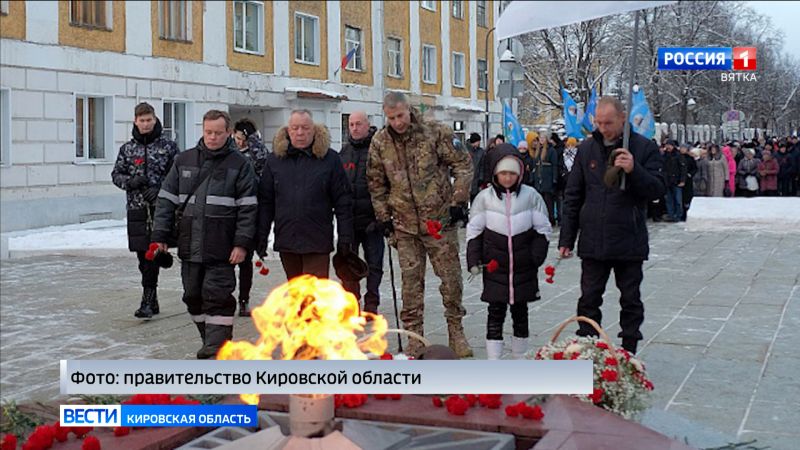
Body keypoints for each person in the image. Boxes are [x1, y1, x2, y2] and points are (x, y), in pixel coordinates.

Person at [367, 91, 474, 358]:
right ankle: (414, 338)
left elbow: (463, 164)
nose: (397, 122)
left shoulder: (434, 132)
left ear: (409, 110)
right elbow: (376, 182)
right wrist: (383, 217)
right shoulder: (380, 142)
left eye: (400, 116)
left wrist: (458, 200)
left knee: (451, 281)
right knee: (411, 287)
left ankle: (456, 330)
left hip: (439, 222)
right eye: (391, 118)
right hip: (404, 226)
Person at [558, 96, 665, 354]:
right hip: (593, 239)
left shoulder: (643, 147)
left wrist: (634, 169)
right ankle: (587, 348)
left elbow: (657, 190)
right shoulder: (586, 149)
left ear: (622, 118)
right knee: (589, 298)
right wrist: (566, 239)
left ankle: (629, 351)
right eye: (599, 122)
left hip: (629, 238)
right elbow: (573, 195)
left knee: (630, 299)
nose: (603, 128)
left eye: (608, 122)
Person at [152, 110, 258, 359]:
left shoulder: (240, 165)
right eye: (208, 132)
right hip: (190, 244)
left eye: (218, 133)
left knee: (217, 296)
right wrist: (161, 236)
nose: (212, 137)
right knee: (192, 296)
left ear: (228, 133)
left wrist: (242, 243)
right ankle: (209, 339)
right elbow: (165, 200)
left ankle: (217, 348)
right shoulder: (184, 160)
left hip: (222, 246)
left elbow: (248, 208)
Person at [466, 145, 551, 360]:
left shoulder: (531, 196)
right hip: (495, 266)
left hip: (524, 267)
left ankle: (519, 356)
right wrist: (474, 259)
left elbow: (543, 229)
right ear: (495, 173)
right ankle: (494, 358)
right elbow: (474, 231)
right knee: (495, 312)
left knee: (520, 313)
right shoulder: (484, 198)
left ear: (519, 174)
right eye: (503, 173)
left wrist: (536, 256)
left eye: (512, 173)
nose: (507, 177)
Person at [256, 110, 354, 280]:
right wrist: (261, 236)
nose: (300, 133)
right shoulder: (275, 160)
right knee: (295, 292)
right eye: (295, 128)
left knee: (313, 294)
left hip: (317, 241)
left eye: (305, 128)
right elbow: (266, 203)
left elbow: (343, 201)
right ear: (288, 131)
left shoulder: (330, 159)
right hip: (287, 240)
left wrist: (345, 237)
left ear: (314, 130)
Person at [111, 102, 179, 319]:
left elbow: (177, 176)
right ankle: (152, 297)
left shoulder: (168, 147)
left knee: (156, 251)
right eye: (142, 120)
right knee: (143, 256)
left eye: (149, 120)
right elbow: (116, 175)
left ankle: (147, 300)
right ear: (135, 121)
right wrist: (132, 182)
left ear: (155, 119)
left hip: (161, 209)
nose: (146, 124)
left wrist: (159, 190)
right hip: (137, 208)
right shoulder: (128, 149)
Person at [339, 112, 383, 314]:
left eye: (358, 124)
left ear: (368, 125)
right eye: (351, 124)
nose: (354, 128)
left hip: (372, 220)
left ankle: (372, 301)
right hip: (348, 219)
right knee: (348, 263)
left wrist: (383, 215)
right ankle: (352, 301)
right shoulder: (344, 152)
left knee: (374, 263)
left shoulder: (378, 150)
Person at [232, 118, 270, 316]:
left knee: (245, 259)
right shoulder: (229, 152)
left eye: (242, 139)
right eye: (237, 137)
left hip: (252, 210)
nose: (239, 142)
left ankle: (243, 300)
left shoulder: (257, 152)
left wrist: (253, 141)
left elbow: (263, 165)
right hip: (231, 211)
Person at [530, 132, 560, 225]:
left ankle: (550, 219)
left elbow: (555, 165)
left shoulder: (551, 151)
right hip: (539, 178)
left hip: (547, 178)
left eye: (543, 138)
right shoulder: (537, 151)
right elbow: (535, 165)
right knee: (539, 200)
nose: (542, 140)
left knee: (548, 201)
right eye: (540, 138)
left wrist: (554, 178)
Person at [662, 140, 686, 222]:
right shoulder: (664, 155)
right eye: (667, 145)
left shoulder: (678, 155)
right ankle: (671, 214)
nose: (668, 147)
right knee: (669, 200)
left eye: (669, 145)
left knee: (678, 199)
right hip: (667, 181)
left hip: (677, 181)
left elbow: (683, 169)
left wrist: (682, 180)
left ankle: (678, 215)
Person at [679, 144, 697, 221]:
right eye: (681, 148)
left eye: (684, 148)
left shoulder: (690, 158)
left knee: (687, 197)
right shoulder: (678, 157)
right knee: (680, 198)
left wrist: (690, 174)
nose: (682, 150)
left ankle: (686, 212)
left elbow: (695, 168)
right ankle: (681, 213)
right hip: (679, 179)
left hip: (688, 180)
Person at [467, 133, 486, 202]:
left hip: (476, 179)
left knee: (475, 199)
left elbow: (482, 166)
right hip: (466, 178)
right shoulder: (465, 150)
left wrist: (481, 178)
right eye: (478, 141)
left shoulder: (481, 152)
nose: (479, 143)